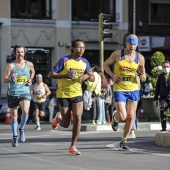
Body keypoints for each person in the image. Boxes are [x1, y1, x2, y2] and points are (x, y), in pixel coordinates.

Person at [49, 39, 95, 155]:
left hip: (77, 93)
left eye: (83, 48)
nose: (81, 50)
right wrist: (66, 75)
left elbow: (93, 77)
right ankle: (58, 119)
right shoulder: (65, 60)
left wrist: (87, 76)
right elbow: (51, 74)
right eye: (79, 47)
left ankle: (73, 146)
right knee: (66, 124)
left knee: (78, 117)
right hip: (63, 93)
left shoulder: (85, 62)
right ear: (73, 48)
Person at [103, 34, 146, 150]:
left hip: (133, 88)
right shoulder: (118, 54)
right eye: (130, 44)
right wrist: (112, 75)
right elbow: (105, 65)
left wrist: (142, 73)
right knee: (123, 116)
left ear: (136, 45)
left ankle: (123, 141)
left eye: (134, 44)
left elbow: (143, 79)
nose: (132, 46)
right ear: (126, 43)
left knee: (131, 117)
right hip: (120, 88)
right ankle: (115, 118)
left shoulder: (140, 58)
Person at [2, 44, 35, 147]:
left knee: (25, 110)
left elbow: (33, 72)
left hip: (25, 91)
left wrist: (30, 80)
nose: (20, 54)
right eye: (18, 52)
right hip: (13, 93)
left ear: (24, 53)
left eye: (21, 52)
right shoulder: (11, 66)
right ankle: (15, 136)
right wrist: (11, 78)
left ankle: (21, 129)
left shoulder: (29, 64)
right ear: (15, 53)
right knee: (14, 117)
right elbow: (4, 79)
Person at [154, 60, 170, 132]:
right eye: (164, 67)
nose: (166, 68)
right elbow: (157, 89)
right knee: (163, 110)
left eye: (167, 67)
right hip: (163, 98)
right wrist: (155, 99)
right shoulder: (160, 76)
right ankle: (163, 128)